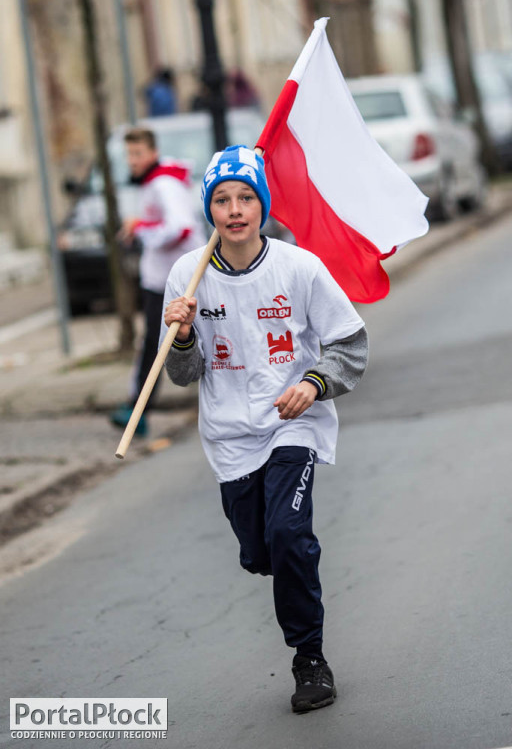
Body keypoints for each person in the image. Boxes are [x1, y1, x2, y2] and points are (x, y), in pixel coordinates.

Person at [160, 145, 368, 712]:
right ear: (210, 209)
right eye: (222, 199)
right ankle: (283, 555)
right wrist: (181, 334)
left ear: (262, 205)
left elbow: (350, 345)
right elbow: (182, 374)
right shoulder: (188, 275)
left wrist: (315, 384)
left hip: (290, 422)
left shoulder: (299, 268)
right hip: (229, 435)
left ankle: (310, 660)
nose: (234, 209)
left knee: (288, 535)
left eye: (246, 197)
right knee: (260, 550)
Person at [110, 127, 204, 436]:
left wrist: (141, 228)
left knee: (155, 345)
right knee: (152, 344)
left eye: (138, 154)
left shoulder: (163, 184)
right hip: (160, 278)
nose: (133, 161)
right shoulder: (155, 183)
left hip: (172, 281)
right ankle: (137, 408)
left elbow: (181, 228)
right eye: (129, 155)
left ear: (152, 152)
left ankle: (138, 410)